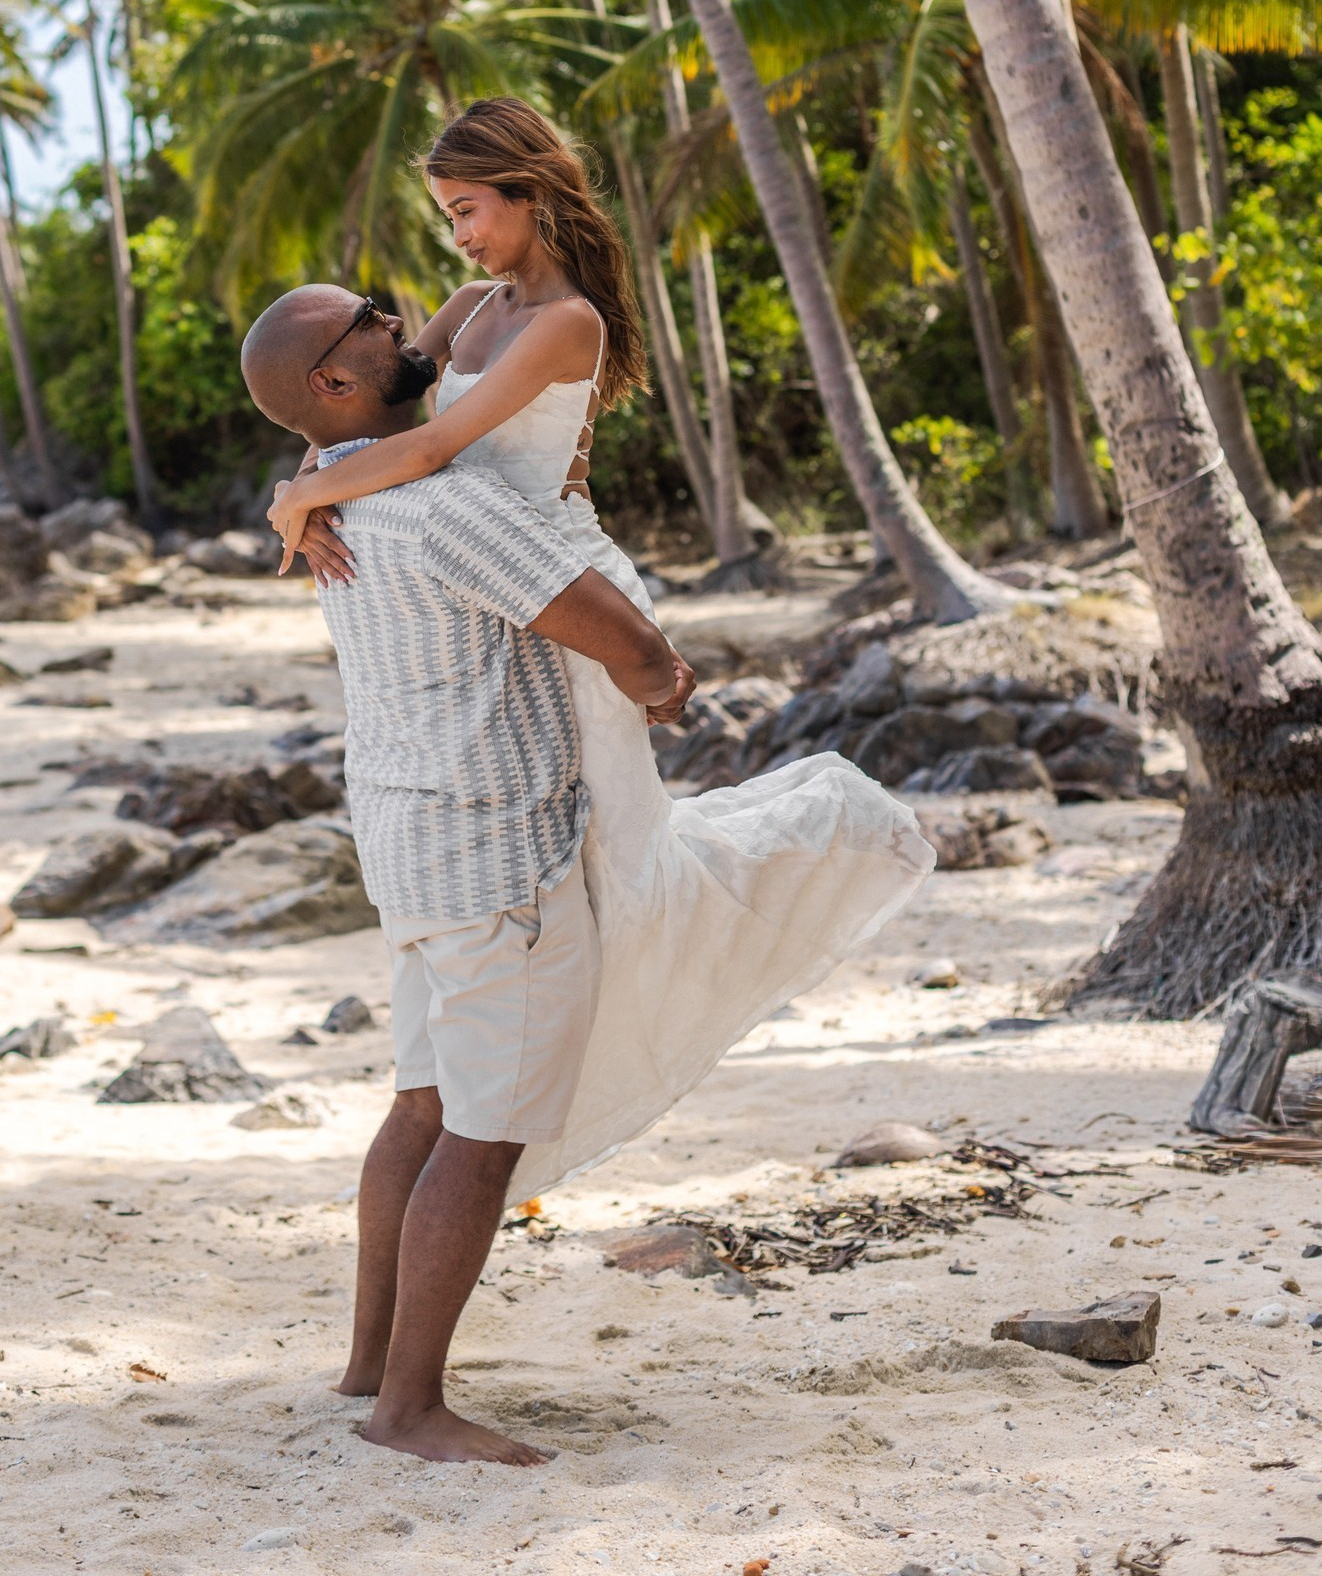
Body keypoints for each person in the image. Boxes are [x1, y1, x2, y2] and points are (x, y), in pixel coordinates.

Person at [266, 98, 933, 1203]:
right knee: (573, 859)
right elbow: (353, 409)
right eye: (445, 216)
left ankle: (571, 1020)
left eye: (468, 210)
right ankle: (518, 1033)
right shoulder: (472, 306)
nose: (458, 237)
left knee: (619, 855)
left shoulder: (565, 321)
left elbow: (433, 444)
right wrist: (301, 482)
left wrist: (306, 499)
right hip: (484, 573)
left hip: (554, 575)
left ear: (529, 194)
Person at [241, 279, 697, 1468]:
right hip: (498, 860)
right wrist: (661, 682)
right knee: (481, 1139)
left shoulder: (338, 501)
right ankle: (408, 1408)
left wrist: (300, 479)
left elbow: (413, 358)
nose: (401, 325)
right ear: (335, 381)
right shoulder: (444, 506)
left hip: (408, 848)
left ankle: (367, 1367)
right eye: (371, 320)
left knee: (422, 1107)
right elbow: (614, 633)